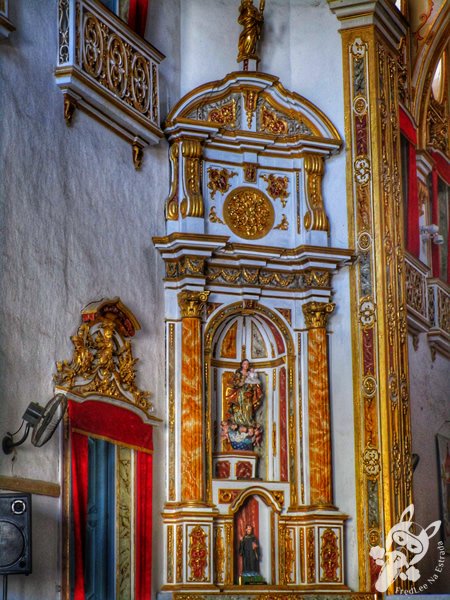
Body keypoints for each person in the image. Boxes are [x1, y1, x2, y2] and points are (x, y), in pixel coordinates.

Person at [227, 359, 262, 427]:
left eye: (247, 364)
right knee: (240, 406)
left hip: (249, 393)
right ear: (242, 365)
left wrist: (254, 385)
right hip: (241, 393)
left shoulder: (250, 373)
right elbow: (234, 383)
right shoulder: (238, 373)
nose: (246, 365)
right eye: (245, 364)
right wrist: (241, 383)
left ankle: (248, 421)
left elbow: (255, 383)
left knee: (249, 406)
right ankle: (239, 422)